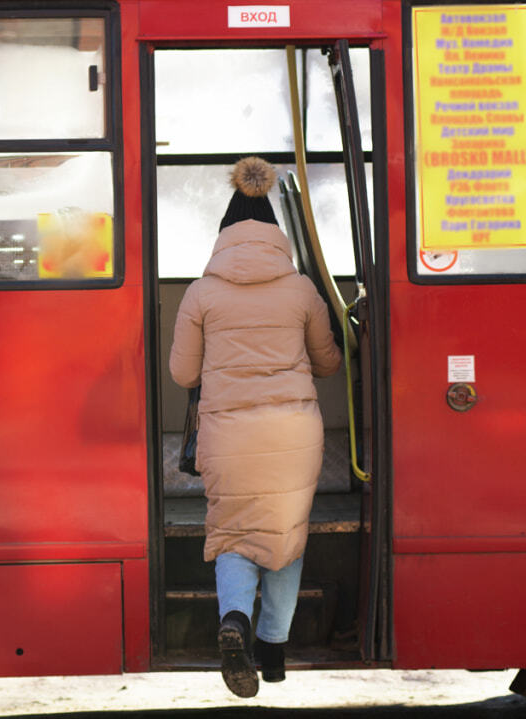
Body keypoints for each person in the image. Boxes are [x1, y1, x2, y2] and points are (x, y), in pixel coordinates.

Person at [168, 156, 342, 698]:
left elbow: (183, 373)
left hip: (228, 436)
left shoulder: (201, 292)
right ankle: (271, 647)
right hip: (294, 436)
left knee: (234, 535)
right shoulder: (302, 290)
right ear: (277, 235)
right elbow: (329, 363)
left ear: (222, 235)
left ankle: (235, 621)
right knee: (285, 538)